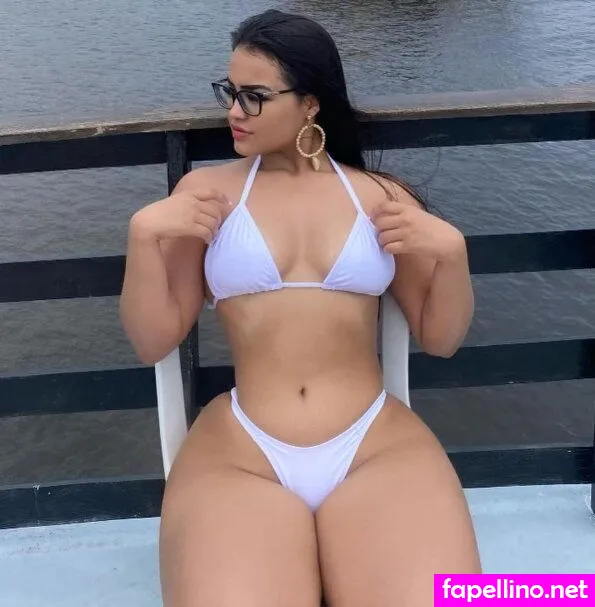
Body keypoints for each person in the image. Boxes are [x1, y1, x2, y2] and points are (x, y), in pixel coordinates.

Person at [119, 8, 481, 606]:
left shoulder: (380, 198)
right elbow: (151, 339)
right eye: (230, 93)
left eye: (254, 97)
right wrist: (142, 238)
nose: (234, 112)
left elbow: (441, 338)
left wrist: (453, 253)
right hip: (242, 452)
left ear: (310, 103)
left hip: (375, 446)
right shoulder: (207, 196)